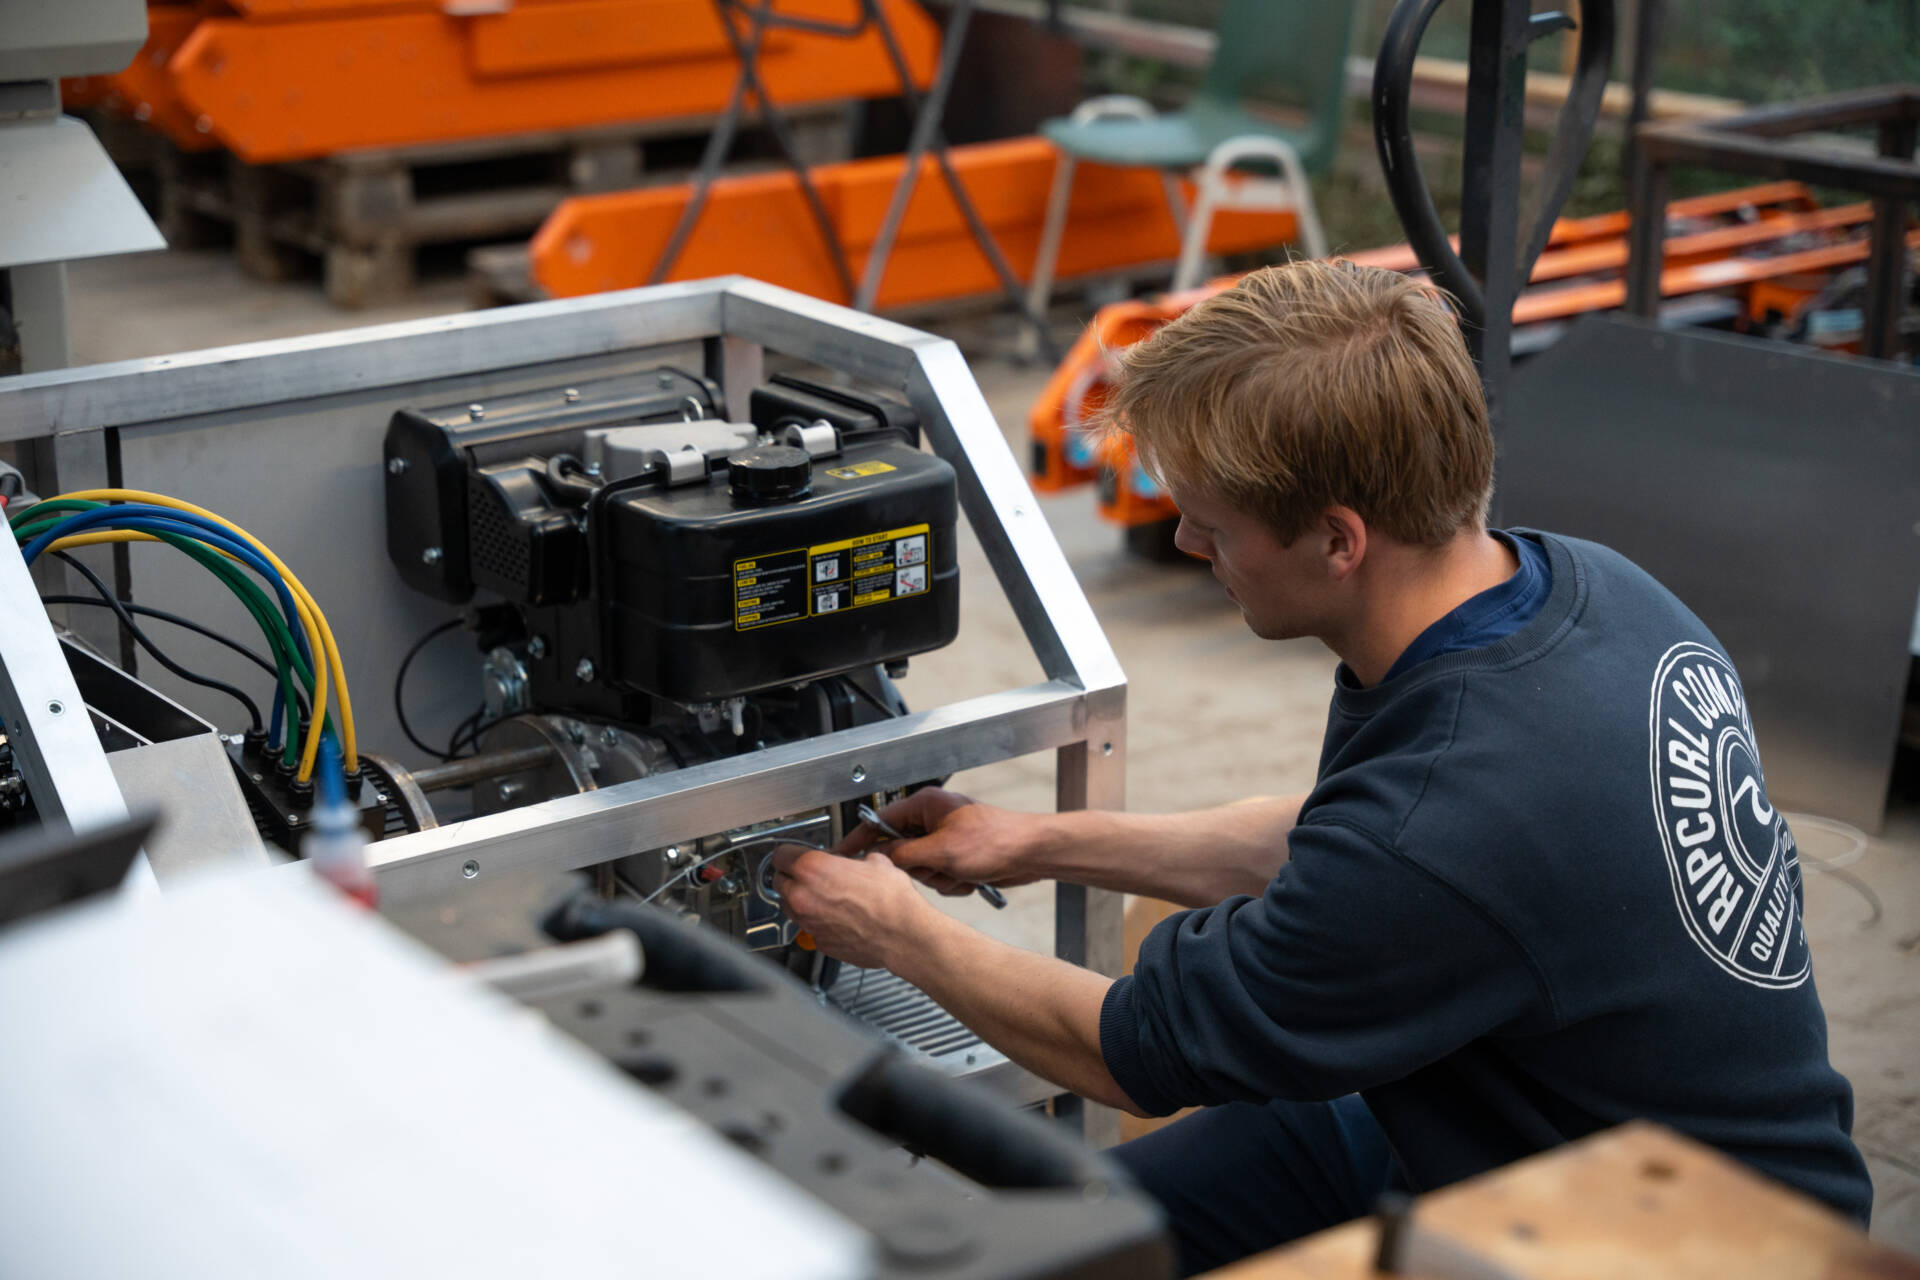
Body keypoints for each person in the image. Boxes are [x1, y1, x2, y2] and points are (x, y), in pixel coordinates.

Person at [770, 260, 1871, 1274]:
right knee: (1087, 1235)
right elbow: (1332, 841)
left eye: (1211, 526)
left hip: (1681, 1242)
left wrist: (895, 931)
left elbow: (1134, 1047)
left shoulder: (1443, 824)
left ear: (1341, 540)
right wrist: (1036, 838)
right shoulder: (1585, 588)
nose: (1192, 549)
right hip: (1503, 1119)